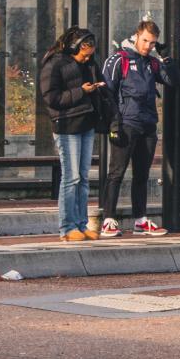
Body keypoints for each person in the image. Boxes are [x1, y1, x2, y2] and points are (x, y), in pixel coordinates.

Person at [97, 21, 174, 238]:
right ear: (136, 36)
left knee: (142, 175)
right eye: (145, 40)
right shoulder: (118, 60)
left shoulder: (151, 62)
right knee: (116, 173)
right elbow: (106, 94)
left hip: (148, 125)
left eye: (153, 42)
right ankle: (108, 221)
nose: (148, 46)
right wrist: (114, 125)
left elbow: (174, 81)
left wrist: (165, 56)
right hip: (126, 124)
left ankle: (140, 221)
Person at [40, 27, 107, 242]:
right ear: (72, 47)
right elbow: (51, 98)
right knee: (71, 178)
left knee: (83, 178)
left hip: (86, 123)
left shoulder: (89, 64)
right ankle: (67, 228)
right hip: (67, 125)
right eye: (84, 55)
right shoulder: (54, 64)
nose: (87, 58)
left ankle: (81, 224)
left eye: (90, 55)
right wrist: (82, 91)